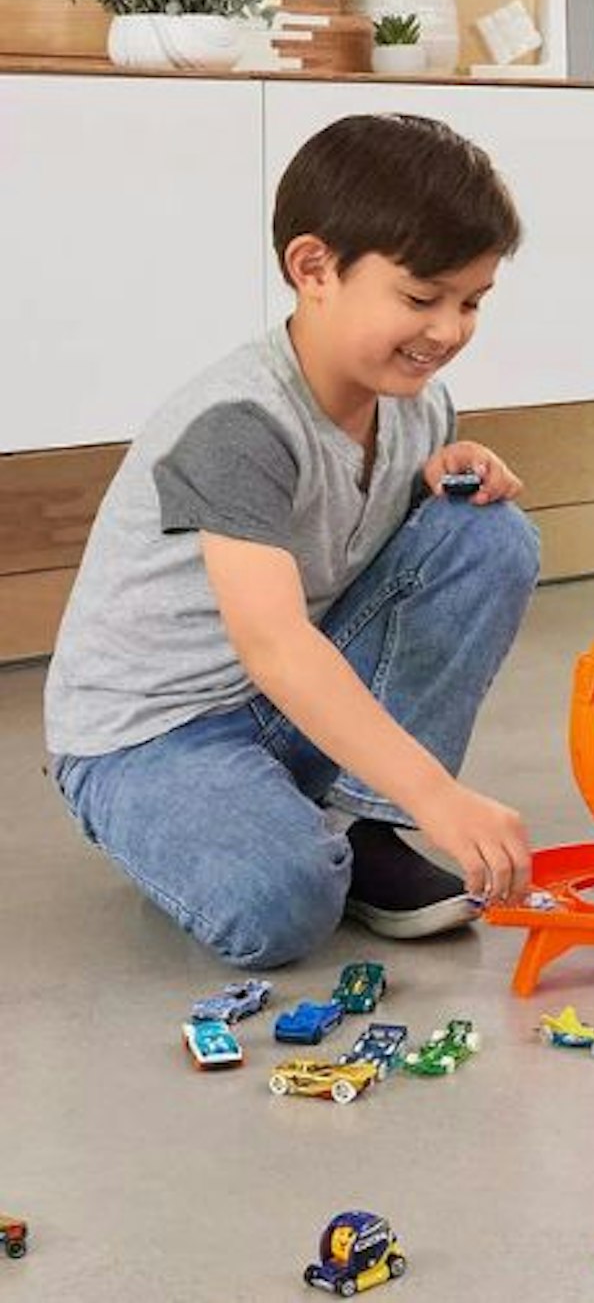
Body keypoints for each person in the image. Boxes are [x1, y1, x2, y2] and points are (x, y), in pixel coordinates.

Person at [44, 113, 539, 967]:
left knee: (489, 534)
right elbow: (273, 642)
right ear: (314, 268)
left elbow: (380, 561)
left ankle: (357, 817)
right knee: (281, 906)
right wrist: (437, 797)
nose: (451, 330)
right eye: (423, 298)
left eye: (472, 302)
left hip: (273, 705)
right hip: (153, 735)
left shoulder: (417, 407)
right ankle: (263, 827)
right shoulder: (238, 425)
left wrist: (455, 470)